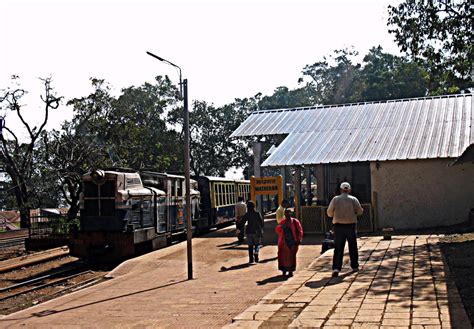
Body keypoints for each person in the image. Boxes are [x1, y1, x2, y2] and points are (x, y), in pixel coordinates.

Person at [327, 182, 364, 277]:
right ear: (349, 190)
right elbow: (360, 211)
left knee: (338, 247)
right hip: (350, 226)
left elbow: (329, 213)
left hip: (338, 226)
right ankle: (354, 266)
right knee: (352, 246)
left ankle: (336, 268)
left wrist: (335, 215)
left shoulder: (335, 199)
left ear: (340, 190)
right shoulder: (353, 199)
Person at [275, 208, 303, 277]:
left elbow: (300, 231)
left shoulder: (295, 222)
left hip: (293, 242)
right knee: (283, 257)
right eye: (286, 213)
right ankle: (284, 271)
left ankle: (290, 271)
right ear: (284, 214)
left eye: (289, 213)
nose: (288, 214)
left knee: (291, 257)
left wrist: (299, 239)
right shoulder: (282, 222)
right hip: (283, 242)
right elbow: (277, 230)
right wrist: (281, 227)